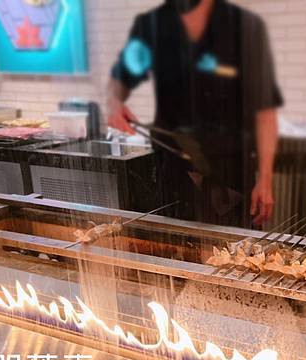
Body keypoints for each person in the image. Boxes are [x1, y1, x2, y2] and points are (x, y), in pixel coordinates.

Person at [108, 0, 283, 227]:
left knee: (232, 257)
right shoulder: (151, 25)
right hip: (173, 173)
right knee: (177, 253)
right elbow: (120, 79)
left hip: (232, 175)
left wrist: (266, 182)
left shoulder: (247, 27)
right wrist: (114, 104)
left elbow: (265, 112)